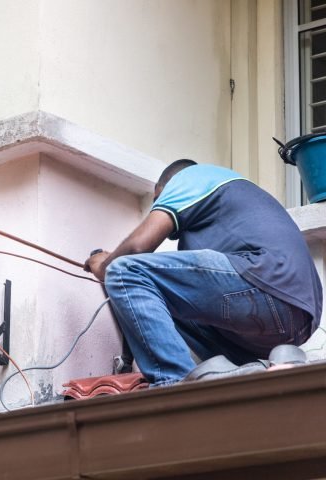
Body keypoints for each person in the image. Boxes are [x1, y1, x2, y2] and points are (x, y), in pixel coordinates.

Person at [84, 159, 323, 386]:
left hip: (266, 281)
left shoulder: (191, 177)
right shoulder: (220, 217)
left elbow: (138, 248)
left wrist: (103, 265)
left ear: (169, 185)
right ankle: (237, 375)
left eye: (159, 199)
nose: (157, 206)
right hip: (300, 318)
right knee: (163, 298)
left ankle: (174, 384)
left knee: (125, 271)